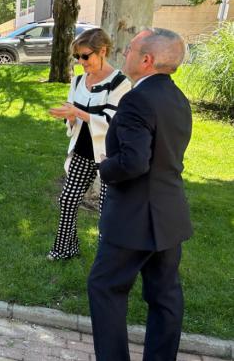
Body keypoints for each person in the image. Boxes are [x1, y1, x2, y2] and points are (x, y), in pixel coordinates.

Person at [87, 28, 192, 361]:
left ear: (147, 60)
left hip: (133, 219)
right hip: (169, 216)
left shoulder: (136, 100)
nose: (124, 53)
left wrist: (105, 166)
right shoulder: (178, 98)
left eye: (130, 49)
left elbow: (134, 162)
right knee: (165, 297)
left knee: (105, 288)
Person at [47, 28, 131, 260]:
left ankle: (107, 260)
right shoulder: (78, 81)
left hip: (108, 156)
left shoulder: (120, 83)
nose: (81, 62)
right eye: (77, 57)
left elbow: (110, 120)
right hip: (83, 151)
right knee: (67, 199)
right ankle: (65, 249)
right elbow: (72, 115)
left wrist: (78, 112)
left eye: (85, 56)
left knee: (107, 210)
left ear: (102, 51)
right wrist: (70, 116)